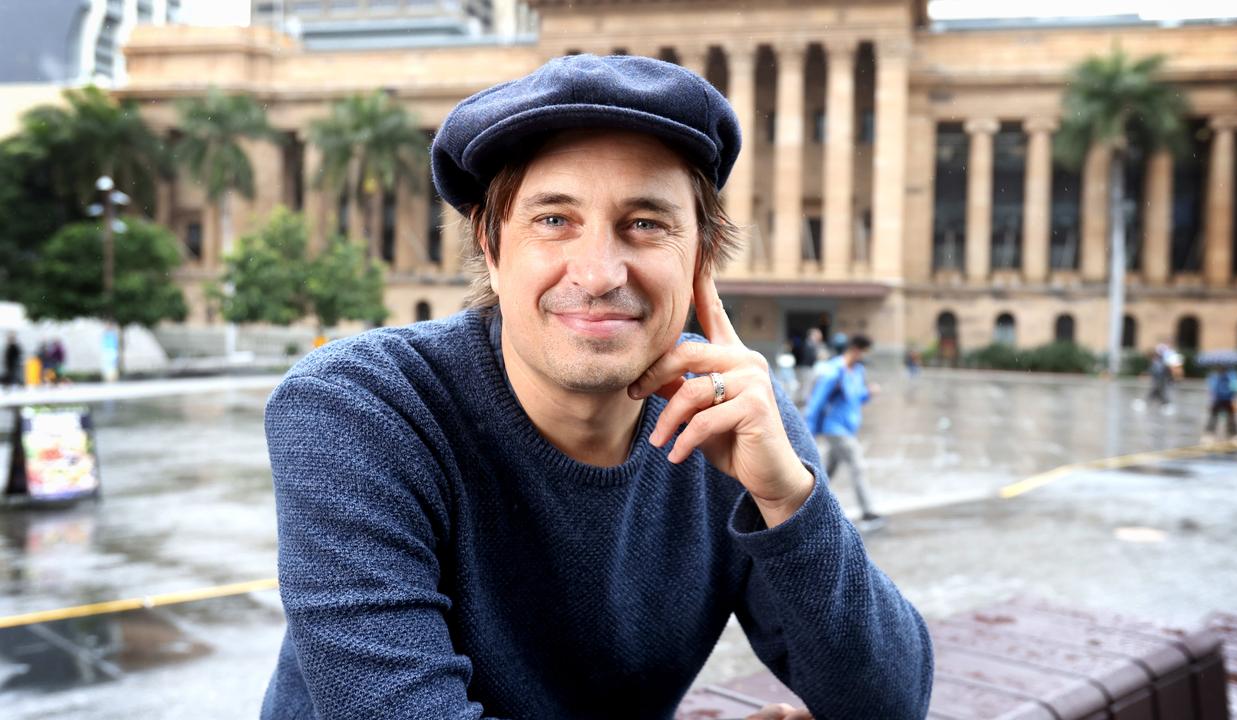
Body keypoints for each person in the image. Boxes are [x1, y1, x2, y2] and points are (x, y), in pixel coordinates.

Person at [261, 54, 932, 720]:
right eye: (554, 220)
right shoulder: (358, 408)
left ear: (701, 255)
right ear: (491, 249)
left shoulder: (729, 415)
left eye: (644, 224)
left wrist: (789, 500)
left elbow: (889, 704)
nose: (600, 272)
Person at [804, 334, 881, 525]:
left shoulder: (858, 371)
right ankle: (868, 510)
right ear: (855, 349)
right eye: (863, 352)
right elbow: (817, 402)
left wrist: (868, 393)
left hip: (848, 427)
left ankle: (808, 504)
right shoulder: (834, 371)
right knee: (858, 464)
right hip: (835, 428)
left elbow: (855, 398)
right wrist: (809, 431)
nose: (864, 356)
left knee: (826, 471)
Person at [1203, 364, 1237, 446]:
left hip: (1226, 399)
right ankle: (1210, 435)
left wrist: (1235, 399)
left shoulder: (1229, 375)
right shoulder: (1228, 375)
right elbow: (1236, 388)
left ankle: (1233, 435)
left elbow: (1235, 388)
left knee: (1229, 418)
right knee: (1215, 418)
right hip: (1221, 399)